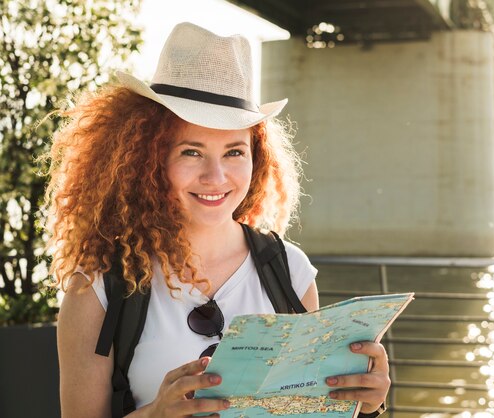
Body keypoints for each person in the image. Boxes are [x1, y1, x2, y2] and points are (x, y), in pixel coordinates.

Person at [47, 22, 390, 417]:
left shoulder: (291, 272)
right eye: (191, 152)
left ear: (256, 158)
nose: (216, 177)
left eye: (234, 152)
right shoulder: (97, 287)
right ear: (149, 159)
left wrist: (366, 406)